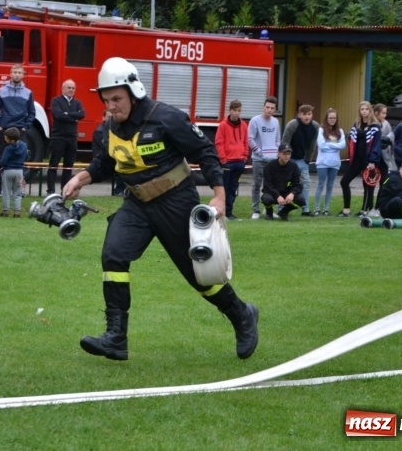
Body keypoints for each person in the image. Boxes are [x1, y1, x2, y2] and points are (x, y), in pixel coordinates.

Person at [62, 57, 258, 361]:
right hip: (136, 205)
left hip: (176, 202)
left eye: (117, 99)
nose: (111, 106)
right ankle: (116, 338)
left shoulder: (166, 117)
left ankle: (242, 315)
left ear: (133, 90)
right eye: (106, 100)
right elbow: (106, 163)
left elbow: (204, 151)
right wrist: (81, 178)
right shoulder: (107, 130)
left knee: (200, 276)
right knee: (113, 255)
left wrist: (219, 196)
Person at [0, 64, 35, 197]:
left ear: (23, 75)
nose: (17, 75)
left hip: (20, 131)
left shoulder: (28, 93)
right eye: (15, 72)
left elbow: (32, 113)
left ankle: (19, 189)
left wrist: (25, 126)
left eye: (19, 73)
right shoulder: (2, 90)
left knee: (20, 160)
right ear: (10, 73)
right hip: (5, 129)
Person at [338, 101, 381, 217]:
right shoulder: (356, 125)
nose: (364, 111)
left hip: (369, 160)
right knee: (344, 182)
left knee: (368, 186)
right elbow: (350, 142)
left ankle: (365, 211)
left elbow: (377, 145)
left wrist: (373, 161)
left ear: (370, 111)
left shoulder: (375, 127)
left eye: (366, 109)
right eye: (362, 109)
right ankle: (346, 209)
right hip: (356, 159)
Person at [46, 79, 85, 195]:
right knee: (53, 165)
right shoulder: (56, 101)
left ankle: (65, 190)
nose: (71, 90)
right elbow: (58, 115)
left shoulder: (77, 103)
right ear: (63, 89)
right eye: (69, 88)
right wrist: (74, 118)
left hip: (72, 138)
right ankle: (51, 191)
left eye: (73, 88)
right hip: (58, 138)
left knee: (68, 166)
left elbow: (82, 114)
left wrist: (67, 114)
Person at [281, 104, 318, 216]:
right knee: (284, 184)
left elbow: (313, 144)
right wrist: (285, 158)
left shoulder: (315, 126)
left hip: (303, 160)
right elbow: (285, 142)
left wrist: (308, 159)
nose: (307, 117)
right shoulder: (292, 124)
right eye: (304, 114)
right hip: (290, 159)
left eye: (309, 114)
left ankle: (305, 209)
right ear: (299, 114)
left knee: (306, 183)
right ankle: (281, 207)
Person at [214, 99, 249, 220]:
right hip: (227, 162)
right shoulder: (223, 125)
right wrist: (223, 159)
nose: (237, 113)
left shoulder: (244, 125)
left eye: (239, 110)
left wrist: (244, 157)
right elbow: (219, 143)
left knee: (233, 189)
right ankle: (222, 212)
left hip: (239, 162)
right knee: (224, 188)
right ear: (230, 110)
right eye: (235, 110)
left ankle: (229, 212)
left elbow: (245, 141)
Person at [248, 97, 280, 219]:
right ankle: (255, 210)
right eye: (267, 107)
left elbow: (278, 139)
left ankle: (269, 210)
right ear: (263, 107)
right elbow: (250, 139)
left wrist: (277, 152)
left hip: (272, 160)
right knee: (256, 184)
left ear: (275, 109)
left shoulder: (275, 122)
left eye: (272, 108)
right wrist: (260, 153)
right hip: (258, 159)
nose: (269, 110)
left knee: (271, 186)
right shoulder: (255, 121)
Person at [313, 108, 345, 216]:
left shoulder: (339, 131)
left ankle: (326, 209)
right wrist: (335, 146)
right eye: (330, 118)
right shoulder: (321, 130)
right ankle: (317, 208)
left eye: (334, 118)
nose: (332, 120)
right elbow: (321, 145)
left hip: (335, 163)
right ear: (326, 118)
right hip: (322, 162)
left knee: (330, 186)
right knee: (321, 185)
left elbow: (343, 145)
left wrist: (329, 145)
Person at [261, 143, 306, 221]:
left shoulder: (294, 167)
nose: (287, 156)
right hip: (273, 193)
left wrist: (292, 194)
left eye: (289, 154)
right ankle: (269, 212)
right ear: (278, 154)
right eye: (284, 153)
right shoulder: (269, 166)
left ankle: (284, 212)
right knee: (266, 199)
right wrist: (277, 196)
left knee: (301, 200)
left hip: (287, 193)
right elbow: (267, 185)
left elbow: (299, 184)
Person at [92, 108, 125, 196]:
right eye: (108, 117)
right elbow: (107, 147)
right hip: (102, 158)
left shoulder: (113, 129)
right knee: (123, 165)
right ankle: (119, 191)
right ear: (103, 118)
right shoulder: (100, 131)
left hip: (111, 155)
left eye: (112, 117)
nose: (111, 119)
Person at [0, 127, 27, 217]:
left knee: (6, 192)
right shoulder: (24, 146)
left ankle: (5, 211)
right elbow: (26, 156)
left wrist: (4, 164)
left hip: (8, 171)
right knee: (17, 192)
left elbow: (3, 162)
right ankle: (17, 211)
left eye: (6, 138)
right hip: (19, 172)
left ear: (11, 140)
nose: (4, 139)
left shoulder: (8, 149)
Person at [373, 103, 396, 181]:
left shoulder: (386, 124)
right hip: (374, 155)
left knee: (384, 178)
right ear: (376, 113)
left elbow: (391, 135)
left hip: (384, 155)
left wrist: (387, 140)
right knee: (372, 179)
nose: (385, 115)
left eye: (385, 113)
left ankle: (381, 193)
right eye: (383, 113)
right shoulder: (371, 124)